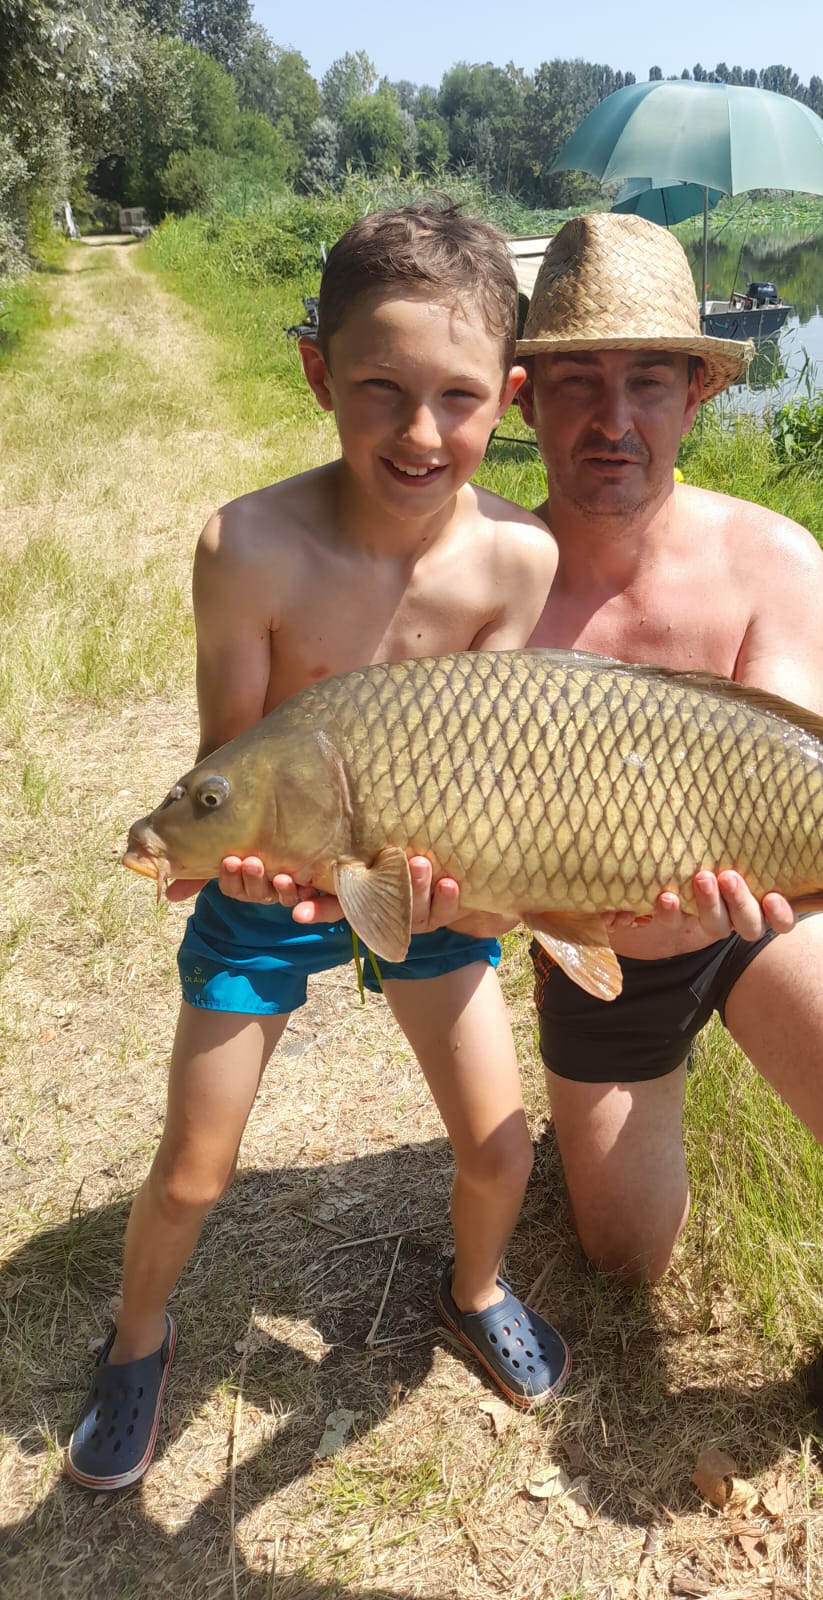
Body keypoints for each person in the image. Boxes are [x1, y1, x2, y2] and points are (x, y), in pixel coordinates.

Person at [414, 212, 823, 1586]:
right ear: (524, 399)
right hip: (593, 948)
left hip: (762, 923)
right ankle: (616, 1109)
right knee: (625, 1259)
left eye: (649, 380)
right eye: (577, 382)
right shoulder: (474, 575)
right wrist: (453, 899)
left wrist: (809, 872)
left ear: (699, 393)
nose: (613, 419)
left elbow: (775, 795)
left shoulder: (776, 560)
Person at [66, 205, 569, 1494]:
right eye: (380, 388)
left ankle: (474, 1288)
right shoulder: (248, 547)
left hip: (424, 885)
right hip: (269, 886)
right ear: (317, 373)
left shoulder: (519, 558)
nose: (420, 432)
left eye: (459, 398)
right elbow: (229, 765)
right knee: (194, 1170)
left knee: (501, 1150)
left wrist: (472, 896)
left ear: (508, 399)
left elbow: (499, 774)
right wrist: (215, 862)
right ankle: (137, 1335)